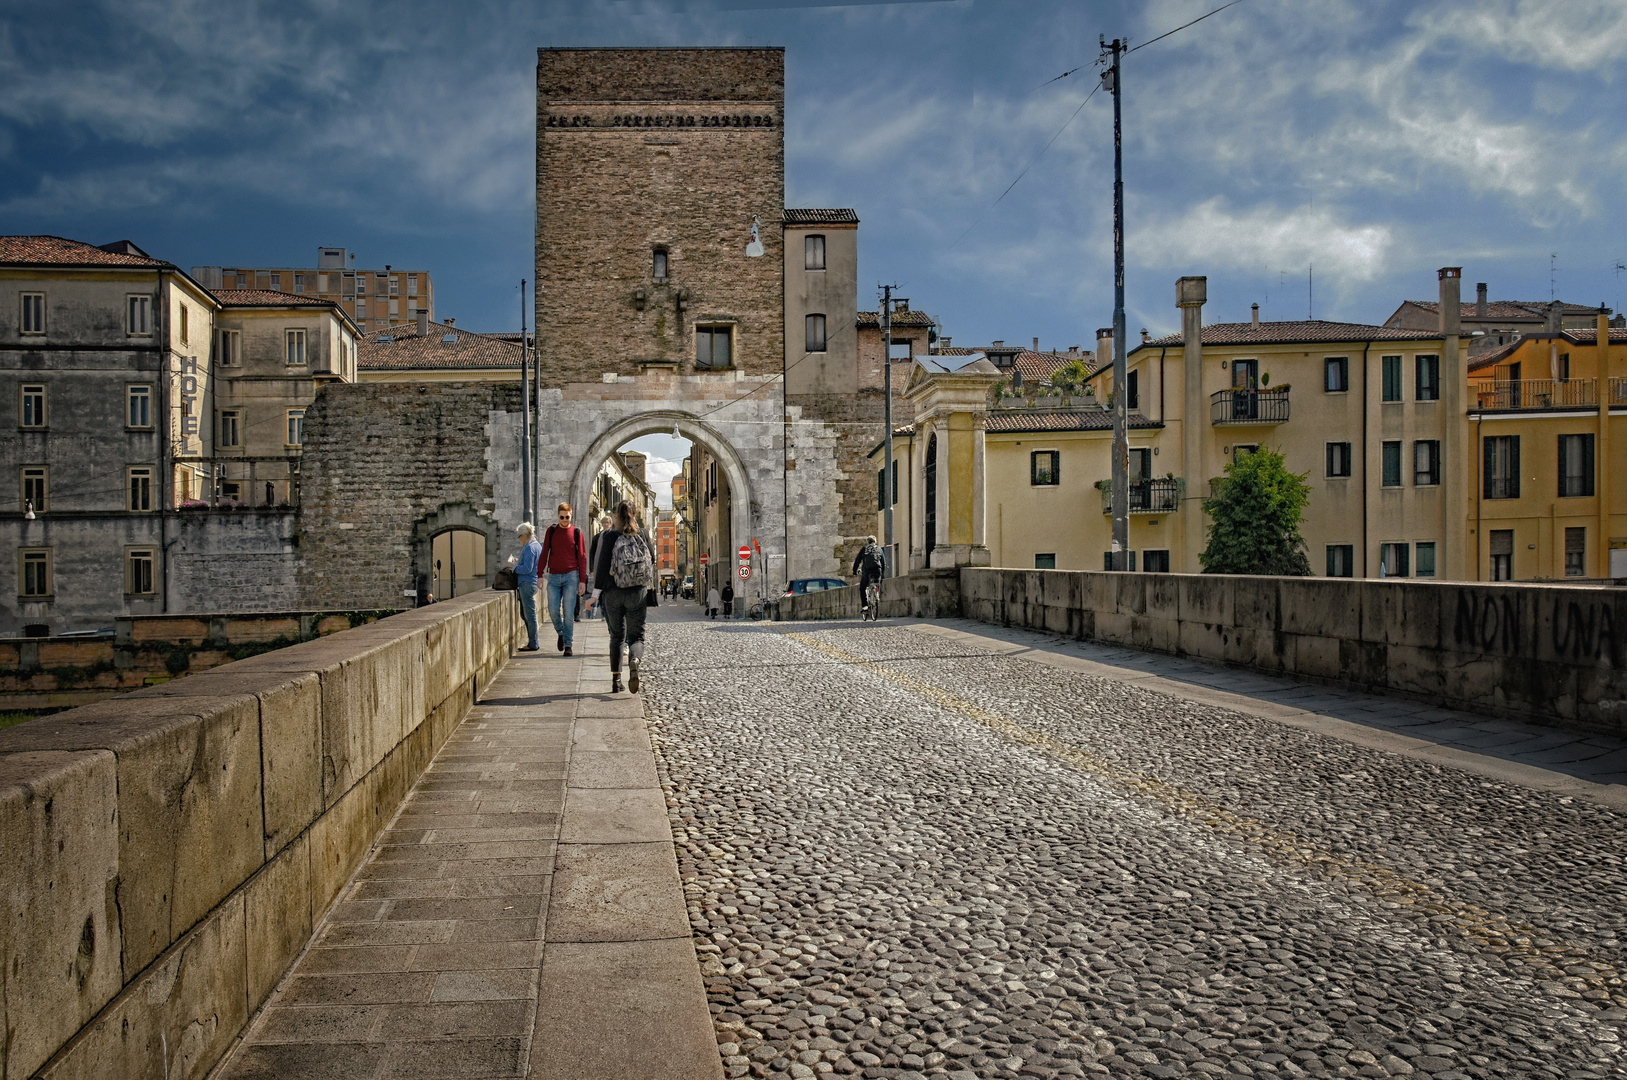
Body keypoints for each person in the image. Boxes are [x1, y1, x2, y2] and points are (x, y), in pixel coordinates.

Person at [590, 499, 655, 694]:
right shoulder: (642, 534)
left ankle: (616, 680)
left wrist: (595, 595)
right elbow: (651, 558)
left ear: (616, 515)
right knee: (636, 637)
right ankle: (634, 660)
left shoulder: (610, 536)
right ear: (634, 514)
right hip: (637, 592)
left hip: (613, 592)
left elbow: (601, 567)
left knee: (617, 636)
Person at [540, 502, 588, 657]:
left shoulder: (576, 532)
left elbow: (582, 557)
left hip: (571, 576)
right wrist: (539, 574)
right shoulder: (552, 531)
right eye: (562, 517)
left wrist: (582, 580)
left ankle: (568, 644)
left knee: (568, 612)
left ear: (571, 515)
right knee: (553, 610)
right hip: (553, 576)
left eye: (567, 517)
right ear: (558, 516)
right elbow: (544, 551)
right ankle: (560, 632)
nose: (565, 520)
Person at [512, 522, 543, 651]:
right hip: (532, 582)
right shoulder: (537, 546)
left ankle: (533, 643)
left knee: (529, 615)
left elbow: (527, 568)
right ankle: (532, 641)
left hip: (527, 583)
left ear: (524, 535)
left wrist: (514, 567)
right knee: (526, 614)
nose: (519, 540)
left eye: (520, 537)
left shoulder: (530, 548)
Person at [585, 513, 615, 619]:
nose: (606, 524)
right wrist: (592, 569)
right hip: (599, 568)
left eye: (608, 522)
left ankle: (607, 612)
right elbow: (592, 554)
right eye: (605, 522)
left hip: (610, 569)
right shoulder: (597, 538)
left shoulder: (613, 536)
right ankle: (603, 612)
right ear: (602, 524)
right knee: (600, 591)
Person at [853, 534, 885, 615]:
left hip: (867, 571)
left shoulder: (864, 549)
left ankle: (865, 606)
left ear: (868, 542)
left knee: (862, 588)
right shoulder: (879, 549)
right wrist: (882, 573)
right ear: (875, 542)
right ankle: (876, 594)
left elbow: (857, 561)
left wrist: (854, 571)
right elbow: (883, 563)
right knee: (877, 583)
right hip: (877, 570)